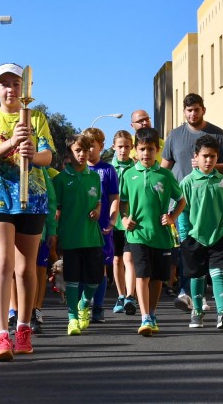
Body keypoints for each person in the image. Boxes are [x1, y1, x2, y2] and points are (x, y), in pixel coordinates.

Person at [0, 63, 55, 361]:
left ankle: (23, 328)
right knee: (3, 263)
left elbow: (47, 157)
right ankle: (0, 335)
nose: (11, 89)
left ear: (25, 88)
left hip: (32, 197)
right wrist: (11, 143)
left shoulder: (37, 118)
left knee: (25, 268)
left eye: (16, 83)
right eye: (4, 84)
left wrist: (31, 153)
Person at [162, 93, 223, 313]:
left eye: (196, 109)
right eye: (188, 110)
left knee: (207, 252)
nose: (192, 113)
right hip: (182, 200)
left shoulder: (218, 134)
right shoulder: (174, 135)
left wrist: (209, 166)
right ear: (183, 112)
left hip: (210, 201)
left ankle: (199, 297)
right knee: (187, 249)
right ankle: (188, 293)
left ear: (203, 110)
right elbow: (165, 168)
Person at [121, 127, 184, 335]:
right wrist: (124, 218)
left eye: (150, 149)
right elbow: (121, 202)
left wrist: (172, 217)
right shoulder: (129, 174)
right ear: (135, 151)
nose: (146, 154)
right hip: (137, 234)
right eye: (142, 149)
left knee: (157, 278)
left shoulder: (165, 175)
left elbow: (182, 200)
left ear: (157, 150)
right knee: (142, 275)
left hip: (161, 236)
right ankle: (145, 317)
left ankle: (153, 312)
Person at [176, 135, 223, 330]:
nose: (209, 160)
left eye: (213, 156)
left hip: (219, 236)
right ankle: (197, 311)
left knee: (218, 273)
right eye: (205, 156)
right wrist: (185, 236)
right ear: (196, 156)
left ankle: (222, 312)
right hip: (195, 237)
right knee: (197, 276)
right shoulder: (187, 182)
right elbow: (181, 212)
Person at [53, 134, 104, 336]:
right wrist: (53, 235)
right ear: (70, 153)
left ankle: (84, 303)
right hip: (70, 237)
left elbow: (98, 200)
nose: (83, 154)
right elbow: (54, 209)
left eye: (86, 149)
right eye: (78, 150)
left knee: (95, 279)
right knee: (72, 280)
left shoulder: (94, 177)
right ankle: (72, 317)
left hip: (92, 237)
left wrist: (98, 210)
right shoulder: (60, 179)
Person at [81, 127, 119, 324]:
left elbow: (114, 197)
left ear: (102, 147)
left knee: (101, 267)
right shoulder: (77, 169)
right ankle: (81, 306)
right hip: (80, 228)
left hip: (102, 226)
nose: (88, 152)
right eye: (85, 147)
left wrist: (112, 220)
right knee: (81, 267)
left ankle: (98, 307)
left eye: (93, 147)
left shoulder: (107, 170)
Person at [109, 130, 138, 315]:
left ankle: (130, 296)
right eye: (120, 146)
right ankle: (120, 295)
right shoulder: (108, 167)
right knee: (117, 259)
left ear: (132, 148)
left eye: (127, 146)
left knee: (129, 259)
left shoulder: (136, 167)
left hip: (129, 220)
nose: (123, 150)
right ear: (113, 147)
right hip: (113, 220)